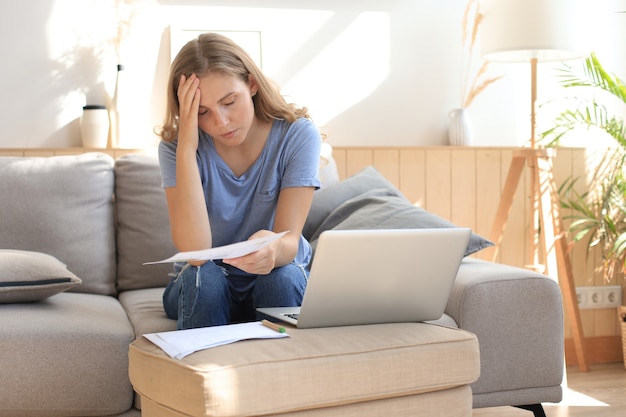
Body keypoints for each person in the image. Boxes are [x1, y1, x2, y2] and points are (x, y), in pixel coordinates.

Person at [157, 33, 322, 329]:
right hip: (203, 280)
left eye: (229, 102)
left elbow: (289, 240)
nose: (220, 122)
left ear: (252, 84)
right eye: (202, 112)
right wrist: (186, 148)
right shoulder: (175, 149)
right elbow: (195, 255)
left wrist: (272, 250)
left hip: (275, 273)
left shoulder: (297, 136)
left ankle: (283, 372)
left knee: (282, 277)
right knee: (204, 279)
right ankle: (207, 374)